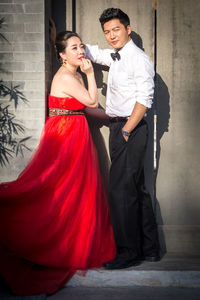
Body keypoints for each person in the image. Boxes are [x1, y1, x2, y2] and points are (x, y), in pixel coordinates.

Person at [0, 31, 116, 296]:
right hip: (66, 137)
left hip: (73, 129)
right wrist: (90, 75)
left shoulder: (71, 74)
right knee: (58, 190)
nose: (80, 51)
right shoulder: (67, 76)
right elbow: (91, 100)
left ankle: (74, 240)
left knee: (76, 192)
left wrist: (116, 116)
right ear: (62, 55)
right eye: (73, 48)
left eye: (81, 46)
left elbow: (84, 109)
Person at [84, 8, 160, 269]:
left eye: (116, 29)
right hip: (121, 127)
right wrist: (60, 39)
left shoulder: (139, 59)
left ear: (128, 29)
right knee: (135, 189)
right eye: (106, 31)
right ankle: (149, 248)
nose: (111, 35)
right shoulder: (115, 55)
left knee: (120, 192)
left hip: (130, 128)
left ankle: (128, 253)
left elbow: (144, 99)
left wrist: (126, 129)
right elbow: (91, 52)